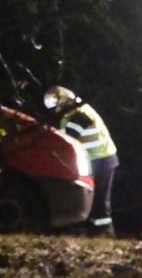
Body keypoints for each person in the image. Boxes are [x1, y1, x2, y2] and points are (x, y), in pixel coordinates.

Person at [43, 86, 118, 235]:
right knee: (96, 198)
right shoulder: (78, 111)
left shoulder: (78, 116)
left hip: (98, 160)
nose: (56, 111)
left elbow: (67, 141)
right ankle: (98, 230)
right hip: (100, 158)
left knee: (94, 197)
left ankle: (103, 230)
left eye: (57, 107)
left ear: (63, 102)